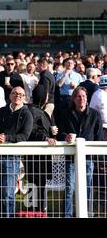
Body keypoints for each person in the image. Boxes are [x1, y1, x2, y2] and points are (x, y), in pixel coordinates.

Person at [57, 86, 104, 217]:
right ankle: (67, 216)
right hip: (71, 158)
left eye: (83, 96)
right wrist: (65, 136)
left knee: (86, 188)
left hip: (88, 158)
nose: (81, 99)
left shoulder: (95, 114)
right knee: (69, 189)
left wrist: (97, 156)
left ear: (87, 99)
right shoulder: (66, 113)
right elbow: (60, 133)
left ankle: (85, 214)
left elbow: (99, 137)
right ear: (73, 99)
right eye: (78, 96)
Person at [0, 87, 33, 218]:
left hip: (11, 158)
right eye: (15, 93)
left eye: (21, 94)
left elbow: (24, 136)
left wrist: (7, 138)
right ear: (9, 96)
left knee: (7, 193)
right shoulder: (1, 111)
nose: (18, 96)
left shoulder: (27, 114)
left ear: (24, 97)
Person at [24, 84, 58, 214]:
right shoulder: (32, 111)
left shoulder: (40, 111)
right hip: (35, 154)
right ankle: (34, 211)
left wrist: (51, 131)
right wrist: (45, 137)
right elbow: (32, 131)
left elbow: (44, 129)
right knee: (34, 183)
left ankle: (38, 211)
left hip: (40, 155)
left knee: (38, 184)